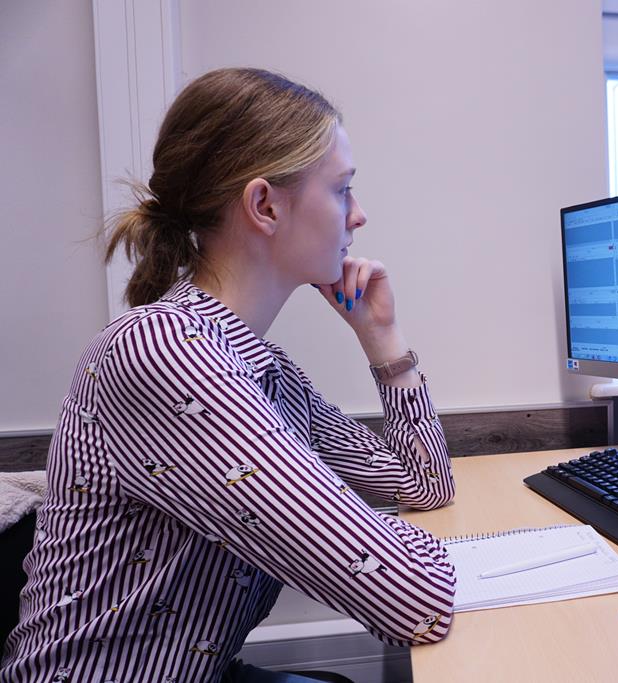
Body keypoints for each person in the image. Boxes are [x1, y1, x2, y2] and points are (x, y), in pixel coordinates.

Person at [0, 68, 456, 683]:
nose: (359, 216)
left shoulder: (261, 366)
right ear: (264, 206)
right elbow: (415, 599)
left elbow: (421, 484)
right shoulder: (162, 354)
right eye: (343, 190)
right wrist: (378, 542)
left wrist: (382, 337)